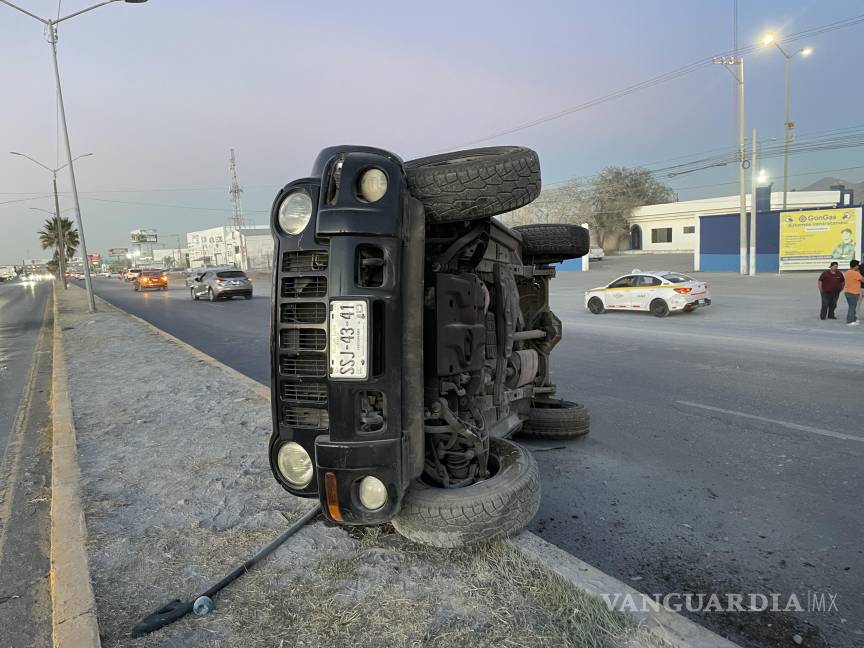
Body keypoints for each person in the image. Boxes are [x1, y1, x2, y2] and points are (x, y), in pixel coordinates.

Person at [843, 259, 864, 326]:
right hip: (854, 292)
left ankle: (854, 319)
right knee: (852, 307)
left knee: (852, 307)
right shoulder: (856, 273)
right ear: (855, 266)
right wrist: (858, 273)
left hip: (847, 292)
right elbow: (863, 280)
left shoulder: (847, 272)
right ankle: (850, 321)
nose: (858, 266)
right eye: (857, 265)